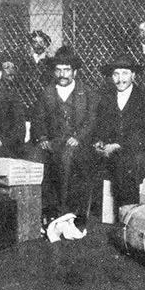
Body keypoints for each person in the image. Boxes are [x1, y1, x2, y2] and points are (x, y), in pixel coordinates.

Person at [34, 46, 98, 220]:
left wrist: (78, 137)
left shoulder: (87, 93)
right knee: (36, 156)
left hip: (79, 144)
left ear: (75, 72)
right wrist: (42, 138)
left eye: (67, 70)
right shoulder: (47, 93)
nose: (62, 74)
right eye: (58, 70)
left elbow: (91, 121)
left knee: (67, 158)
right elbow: (38, 120)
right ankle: (43, 210)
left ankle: (65, 211)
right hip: (54, 141)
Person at [93, 55, 145, 207]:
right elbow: (100, 126)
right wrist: (99, 142)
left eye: (125, 73)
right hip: (111, 151)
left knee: (123, 164)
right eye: (116, 74)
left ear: (133, 75)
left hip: (139, 152)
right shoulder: (106, 99)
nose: (120, 79)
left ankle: (126, 215)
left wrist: (118, 146)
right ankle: (88, 222)